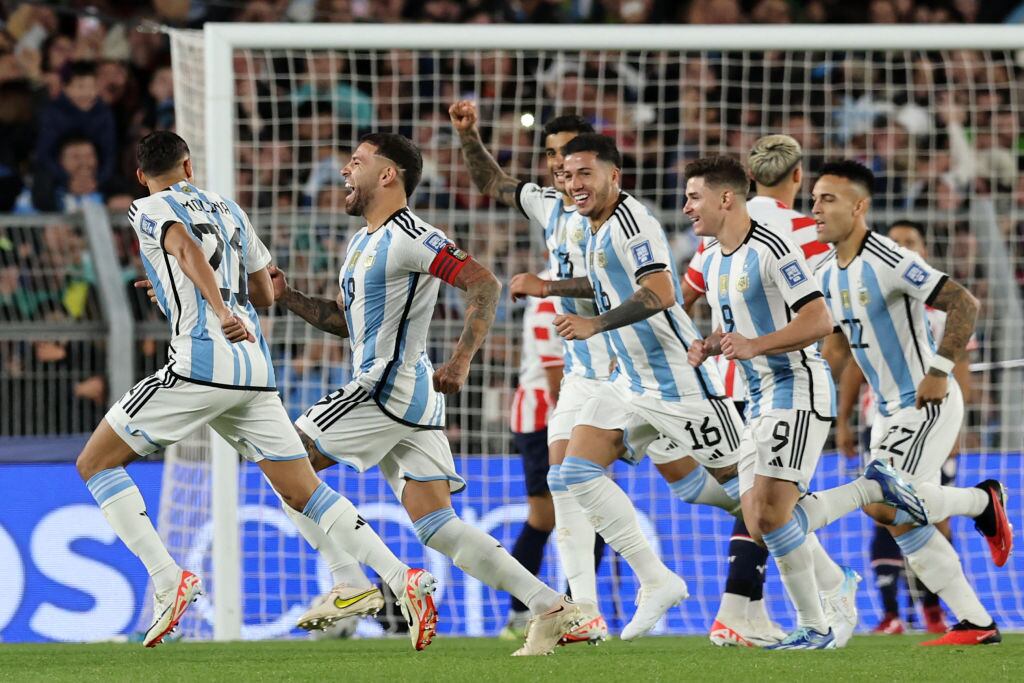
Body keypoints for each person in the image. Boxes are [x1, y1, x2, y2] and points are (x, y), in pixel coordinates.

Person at [79, 131, 437, 650]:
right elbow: (267, 291)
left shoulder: (150, 207)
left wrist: (218, 311)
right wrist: (200, 297)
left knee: (95, 463)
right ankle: (396, 578)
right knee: (301, 489)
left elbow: (182, 248)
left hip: (202, 365)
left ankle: (166, 580)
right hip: (255, 371)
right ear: (189, 165)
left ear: (141, 175)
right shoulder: (229, 208)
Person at [270, 132, 582, 656]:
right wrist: (289, 298)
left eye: (356, 162)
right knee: (440, 528)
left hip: (385, 387)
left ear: (389, 175)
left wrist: (461, 359)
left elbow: (484, 283)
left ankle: (356, 581)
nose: (345, 172)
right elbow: (348, 323)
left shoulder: (412, 235)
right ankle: (550, 605)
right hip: (410, 397)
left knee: (282, 462)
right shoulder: (362, 242)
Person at [545, 134, 747, 641]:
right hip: (630, 381)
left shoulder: (632, 223)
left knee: (755, 498)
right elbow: (607, 284)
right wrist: (550, 288)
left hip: (679, 380)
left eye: (585, 174)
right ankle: (656, 580)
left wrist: (596, 326)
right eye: (567, 176)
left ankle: (831, 584)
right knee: (574, 472)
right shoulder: (591, 228)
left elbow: (659, 292)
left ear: (615, 176)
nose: (574, 185)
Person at [812, 160, 1011, 646]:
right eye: (814, 198)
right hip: (883, 412)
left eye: (827, 199)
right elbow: (839, 347)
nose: (815, 208)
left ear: (859, 207)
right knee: (902, 522)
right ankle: (976, 622)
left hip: (926, 402)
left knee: (881, 503)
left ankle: (982, 501)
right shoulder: (823, 270)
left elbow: (964, 302)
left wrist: (940, 371)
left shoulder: (889, 257)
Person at [683, 155, 874, 650]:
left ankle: (817, 622)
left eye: (694, 197)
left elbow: (818, 321)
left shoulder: (774, 248)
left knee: (769, 516)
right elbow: (738, 323)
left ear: (726, 198)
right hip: (757, 393)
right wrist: (710, 343)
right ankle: (828, 599)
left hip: (797, 387)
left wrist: (755, 345)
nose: (686, 207)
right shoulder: (710, 256)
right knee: (760, 519)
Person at [449, 101, 608, 643]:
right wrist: (470, 136)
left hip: (616, 375)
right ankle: (551, 610)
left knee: (575, 513)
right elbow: (492, 181)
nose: (556, 167)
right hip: (560, 401)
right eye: (550, 157)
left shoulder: (624, 219)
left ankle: (550, 609)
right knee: (572, 512)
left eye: (567, 156)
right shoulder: (547, 207)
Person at [838, 219, 973, 635]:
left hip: (933, 420)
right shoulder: (870, 296)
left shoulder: (940, 308)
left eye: (910, 241)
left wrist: (958, 432)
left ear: (924, 250)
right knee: (883, 511)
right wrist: (842, 421)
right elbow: (854, 367)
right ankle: (891, 613)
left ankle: (935, 609)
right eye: (895, 241)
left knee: (929, 517)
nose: (902, 247)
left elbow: (961, 368)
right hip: (878, 420)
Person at [500, 268, 564, 639]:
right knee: (548, 517)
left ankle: (557, 611)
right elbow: (555, 375)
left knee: (553, 519)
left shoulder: (581, 278)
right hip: (544, 417)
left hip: (556, 416)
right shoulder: (551, 287)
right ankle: (525, 613)